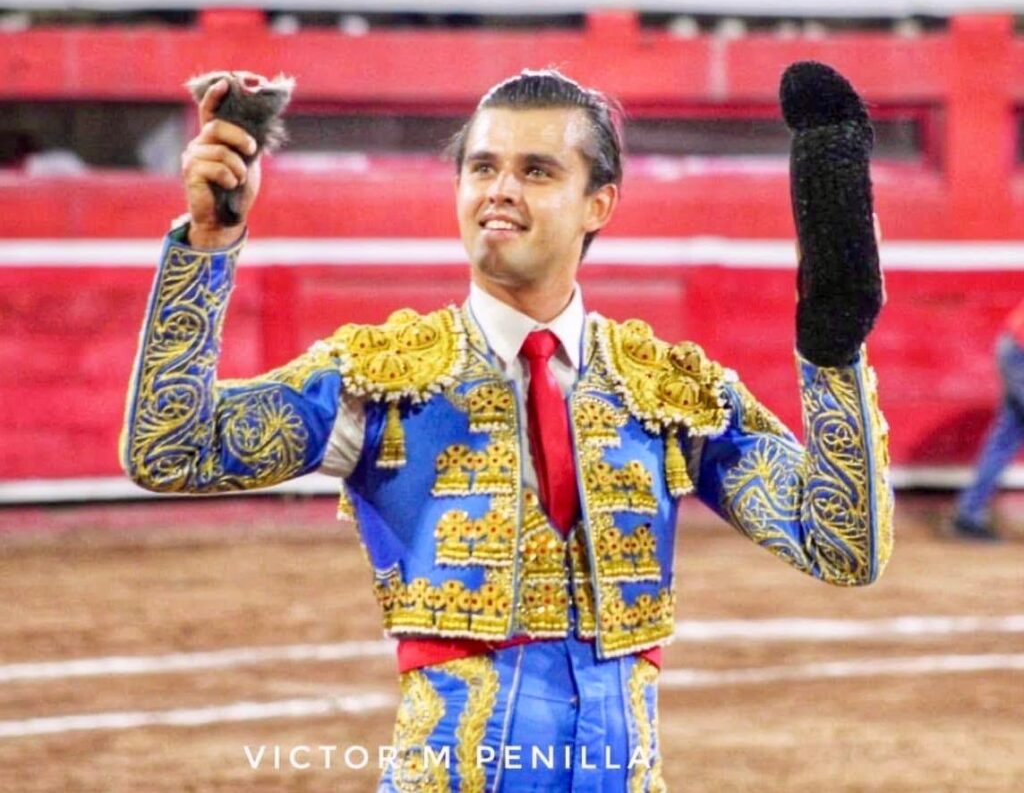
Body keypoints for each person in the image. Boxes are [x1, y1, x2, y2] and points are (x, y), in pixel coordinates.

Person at [122, 66, 893, 791]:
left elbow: (839, 543)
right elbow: (171, 446)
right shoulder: (383, 375)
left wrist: (832, 350)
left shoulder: (665, 392)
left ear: (601, 203)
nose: (499, 190)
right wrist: (207, 247)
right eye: (482, 167)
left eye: (536, 170)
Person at [953, 301, 1024, 541]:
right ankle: (969, 513)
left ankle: (969, 514)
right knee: (1006, 437)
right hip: (1021, 353)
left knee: (1006, 437)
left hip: (1013, 345)